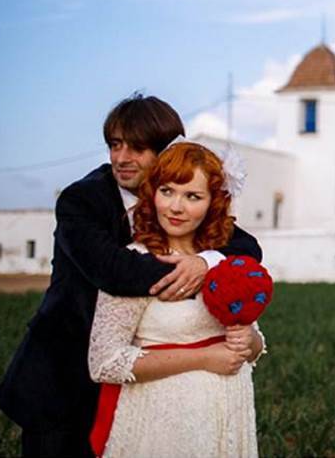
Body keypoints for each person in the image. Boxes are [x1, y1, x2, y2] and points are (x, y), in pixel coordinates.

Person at [0, 94, 263, 458]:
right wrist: (191, 266)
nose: (122, 158)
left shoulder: (181, 203)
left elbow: (248, 250)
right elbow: (116, 271)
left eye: (137, 147)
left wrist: (206, 261)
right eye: (115, 144)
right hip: (62, 377)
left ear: (168, 150)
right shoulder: (81, 200)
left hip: (141, 393)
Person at [88, 141, 264, 458]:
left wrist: (248, 339)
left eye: (192, 196)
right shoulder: (134, 264)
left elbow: (255, 345)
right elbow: (105, 363)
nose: (175, 207)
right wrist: (203, 358)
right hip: (161, 423)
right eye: (167, 191)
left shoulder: (223, 262)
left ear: (213, 203)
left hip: (226, 415)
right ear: (152, 192)